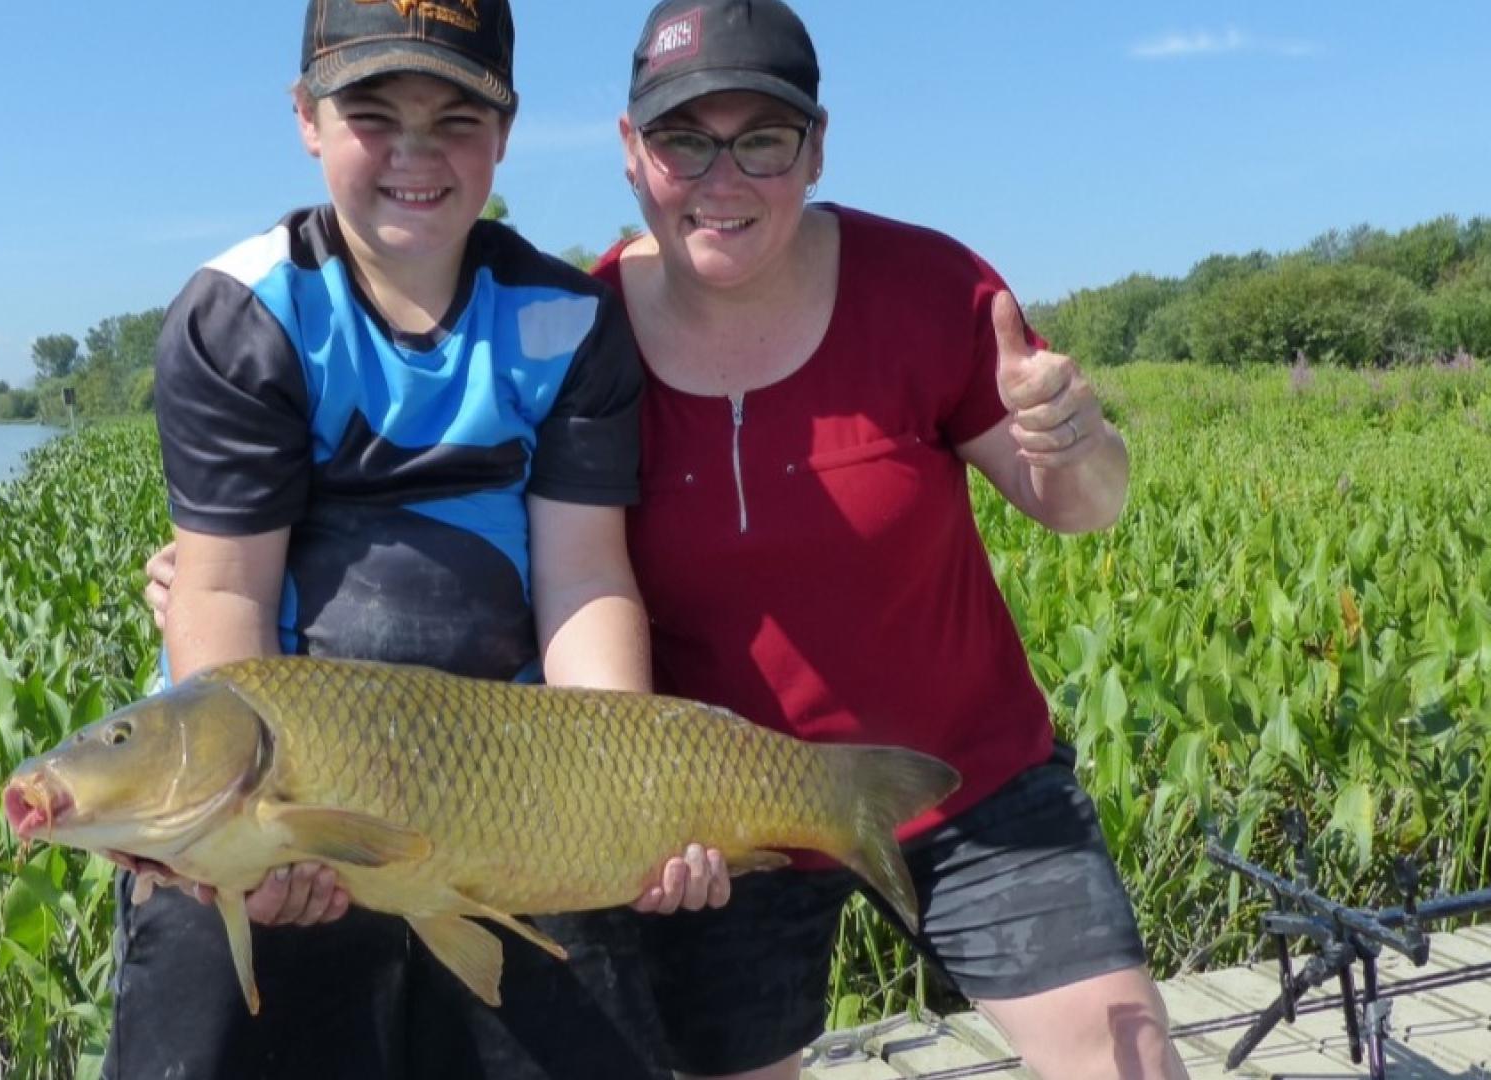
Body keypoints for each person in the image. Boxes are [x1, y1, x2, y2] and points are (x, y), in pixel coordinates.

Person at [147, 1, 1190, 1077]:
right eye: (685, 141)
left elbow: (1084, 505)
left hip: (952, 780)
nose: (721, 178)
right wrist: (228, 650)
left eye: (763, 141)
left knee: (1132, 1059)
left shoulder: (920, 290)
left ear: (816, 147)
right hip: (715, 803)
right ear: (632, 154)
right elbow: (258, 581)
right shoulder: (545, 320)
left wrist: (1076, 441)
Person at [117, 1, 724, 1077]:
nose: (415, 154)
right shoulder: (244, 311)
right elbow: (223, 597)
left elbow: (585, 581)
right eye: (372, 114)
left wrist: (626, 803)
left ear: (505, 131)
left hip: (510, 786)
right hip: (295, 785)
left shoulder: (566, 319)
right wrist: (241, 835)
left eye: (454, 119)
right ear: (307, 119)